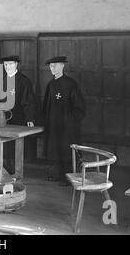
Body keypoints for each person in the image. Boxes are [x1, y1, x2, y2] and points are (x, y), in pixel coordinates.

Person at [0, 55, 37, 174]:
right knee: (1, 143)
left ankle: (13, 169)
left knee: (12, 144)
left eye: (10, 64)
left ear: (16, 64)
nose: (8, 67)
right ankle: (1, 166)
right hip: (1, 118)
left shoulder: (23, 81)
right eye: (6, 65)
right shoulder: (1, 80)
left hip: (17, 118)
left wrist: (29, 118)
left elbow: (29, 101)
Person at [43, 56, 86, 186]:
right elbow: (46, 105)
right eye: (51, 66)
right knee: (54, 149)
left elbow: (79, 107)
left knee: (66, 150)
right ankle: (56, 174)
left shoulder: (71, 84)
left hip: (67, 126)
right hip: (54, 124)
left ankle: (68, 178)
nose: (52, 68)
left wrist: (70, 121)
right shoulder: (50, 85)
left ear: (62, 66)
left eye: (55, 65)